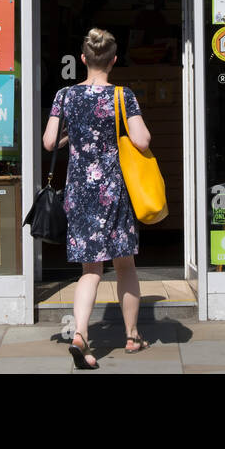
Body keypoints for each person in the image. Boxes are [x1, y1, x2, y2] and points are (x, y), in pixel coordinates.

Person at [43, 27, 153, 370]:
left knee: (89, 270)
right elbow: (143, 140)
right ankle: (132, 335)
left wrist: (70, 139)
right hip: (113, 191)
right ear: (114, 60)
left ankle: (79, 334)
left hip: (79, 192)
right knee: (125, 265)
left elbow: (48, 142)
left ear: (83, 59)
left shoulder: (65, 95)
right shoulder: (122, 96)